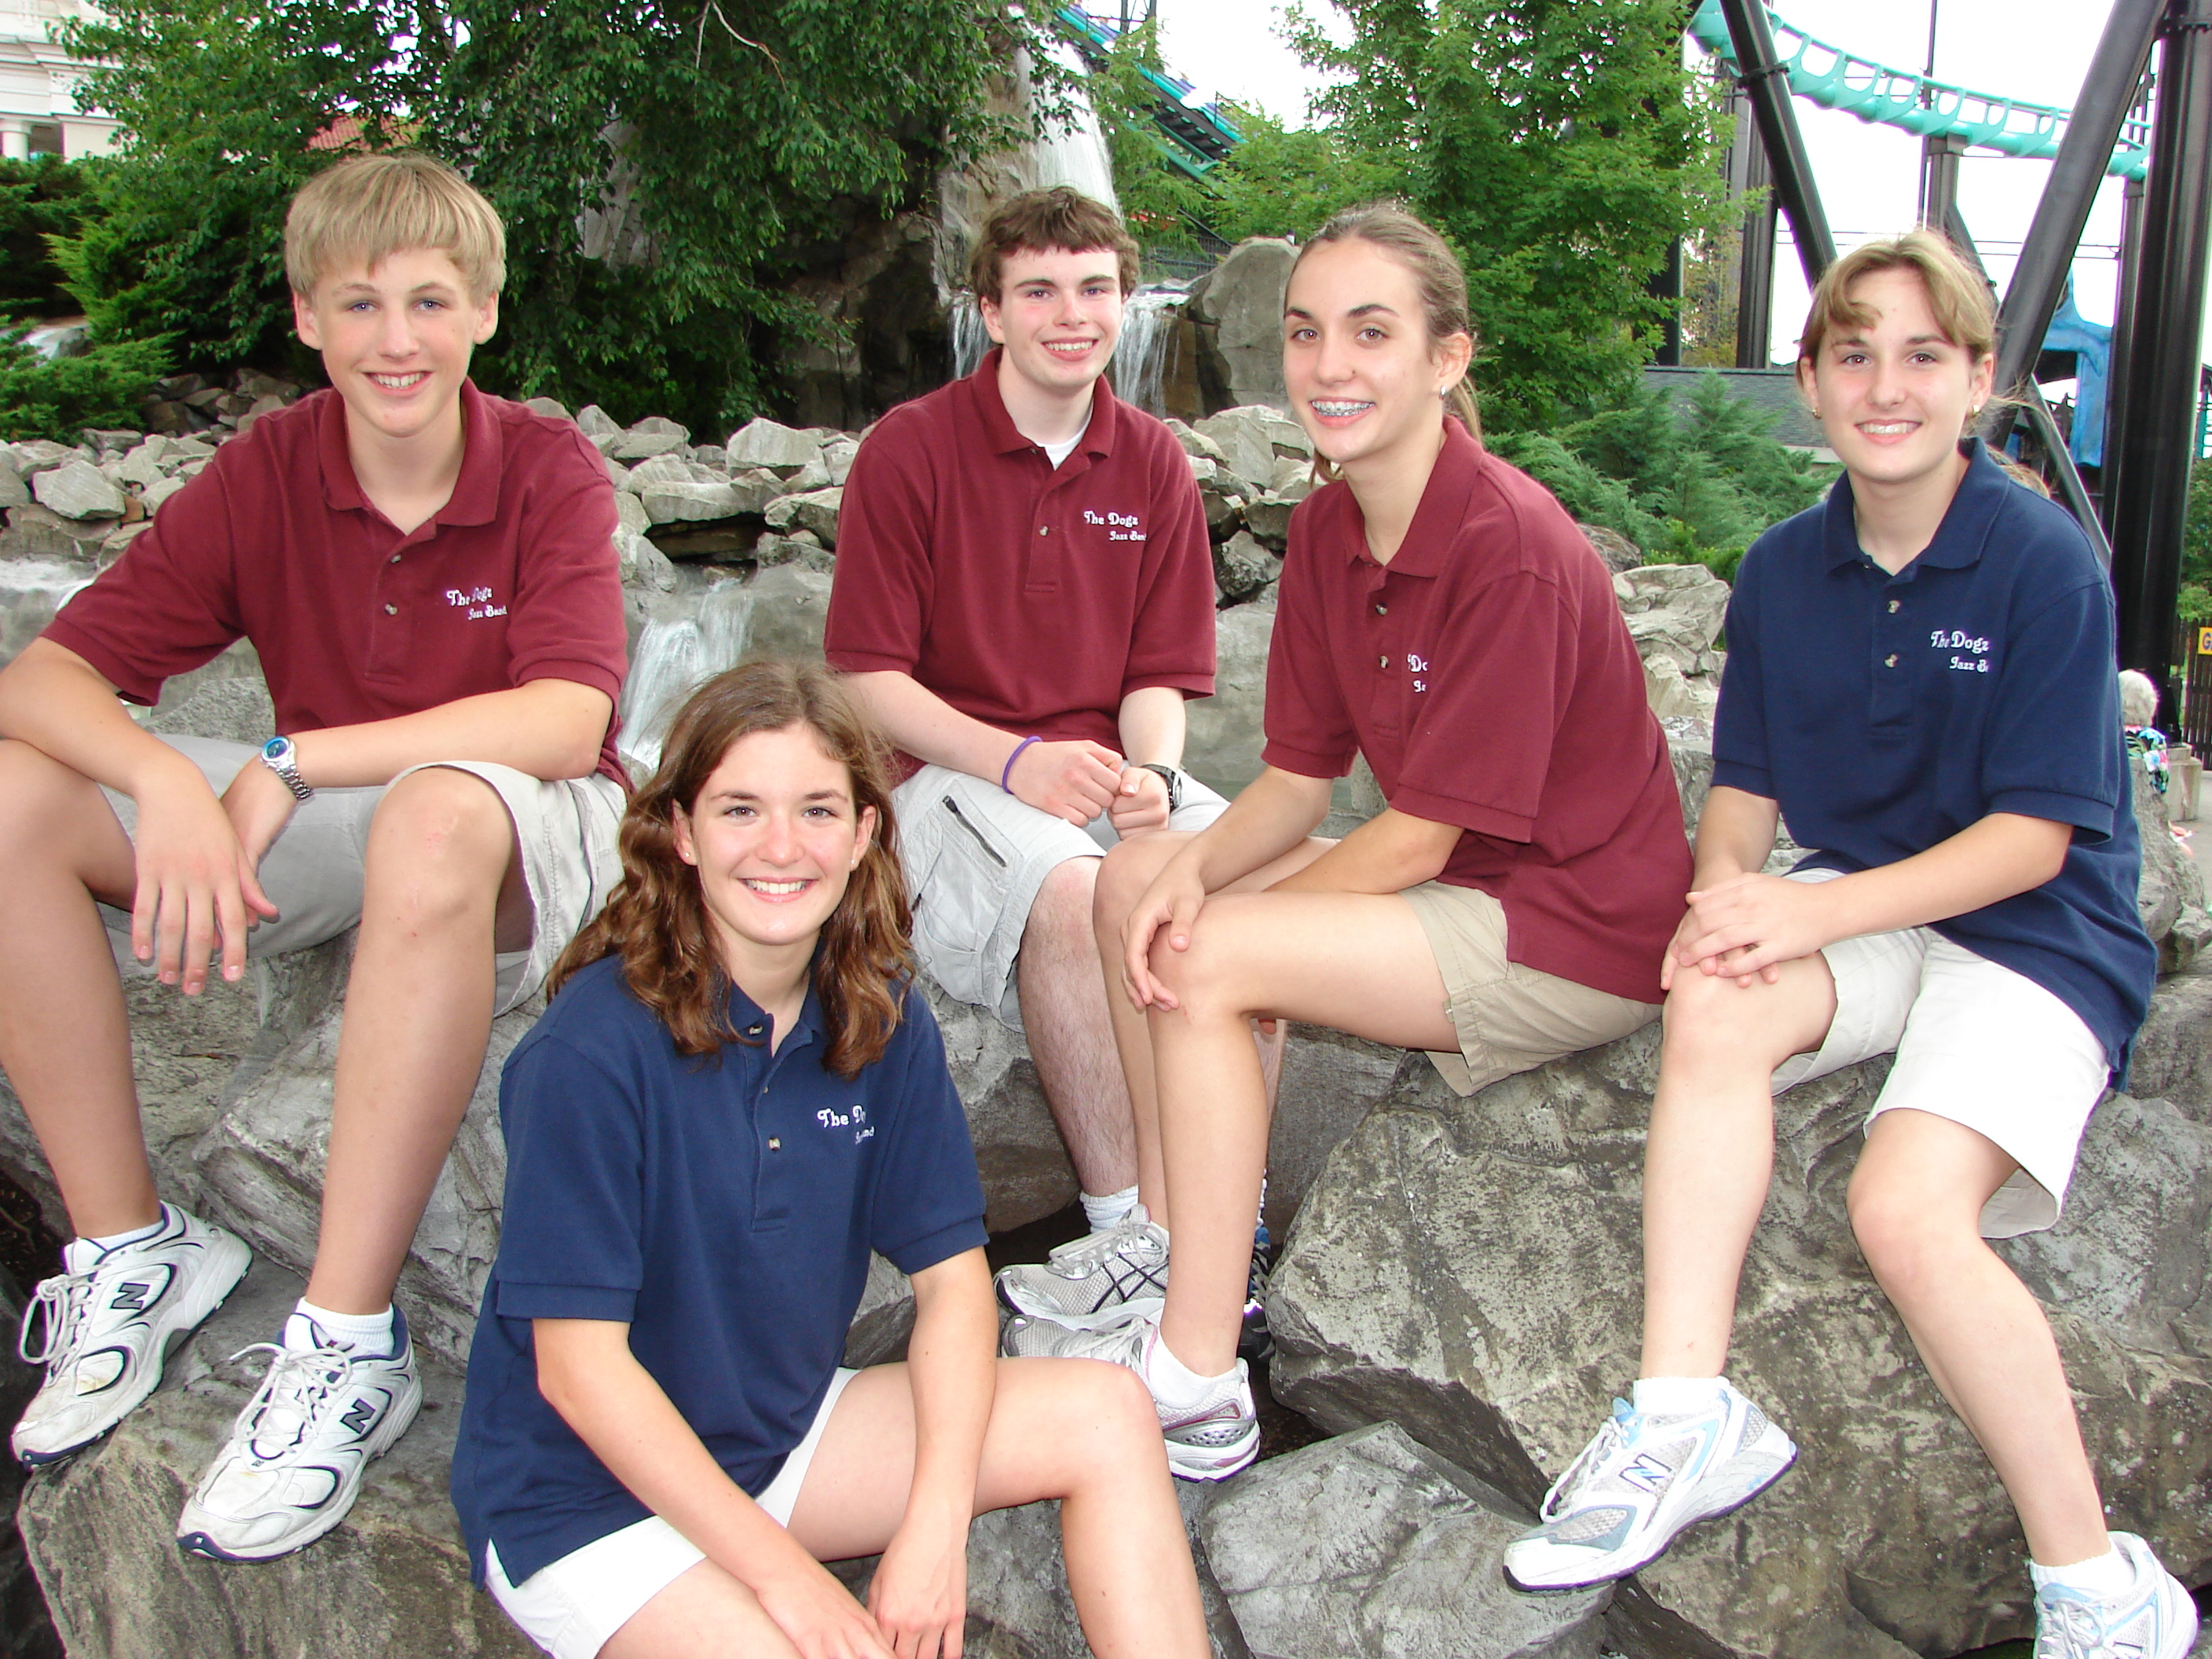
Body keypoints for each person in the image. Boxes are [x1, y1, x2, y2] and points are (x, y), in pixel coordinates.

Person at [1501, 230, 2194, 1658]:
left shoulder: (2044, 568)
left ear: (1981, 381)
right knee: (1713, 1002)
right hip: (1871, 900)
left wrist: (1804, 909)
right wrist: (1726, 903)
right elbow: (1746, 794)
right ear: (1809, 383)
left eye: (1923, 354)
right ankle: (1686, 1416)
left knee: (1903, 1209)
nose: (1888, 385)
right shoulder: (1779, 572)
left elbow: (2036, 841)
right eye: (1854, 353)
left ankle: (2098, 1587)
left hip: (2034, 935)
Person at [0, 152, 628, 1561]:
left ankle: (347, 1338)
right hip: (344, 828)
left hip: (530, 829)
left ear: (482, 310)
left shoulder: (543, 464)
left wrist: (285, 760)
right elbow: (36, 681)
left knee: (431, 810)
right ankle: (129, 1246)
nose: (393, 339)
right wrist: (162, 776)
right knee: (11, 797)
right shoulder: (267, 468)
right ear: (305, 319)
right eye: (358, 304)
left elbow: (567, 715)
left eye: (425, 301)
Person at [1001, 203, 1690, 1479]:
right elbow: (1291, 785)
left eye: (1372, 331)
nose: (1329, 364)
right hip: (1460, 878)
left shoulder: (1508, 546)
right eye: (1308, 330)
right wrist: (1186, 874)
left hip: (1570, 925)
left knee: (1209, 960)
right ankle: (1176, 1238)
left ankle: (1199, 1377)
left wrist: (1229, 920)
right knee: (1131, 880)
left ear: (1447, 357)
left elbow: (1420, 837)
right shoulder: (1325, 532)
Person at [450, 660, 1210, 1659]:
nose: (779, 847)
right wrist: (790, 1584)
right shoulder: (589, 1054)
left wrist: (934, 1529)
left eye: (816, 810)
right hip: (591, 1498)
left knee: (1108, 1413)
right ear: (679, 832)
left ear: (862, 833)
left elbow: (953, 1289)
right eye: (738, 811)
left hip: (782, 1435)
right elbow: (581, 1373)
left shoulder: (877, 1012)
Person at [825, 186, 1256, 1304]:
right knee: (1074, 894)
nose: (1073, 314)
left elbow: (1157, 678)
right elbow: (866, 683)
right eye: (1040, 291)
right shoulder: (910, 450)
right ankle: (1127, 1231)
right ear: (993, 311)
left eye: (1096, 288)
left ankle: (1223, 1226)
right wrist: (1017, 762)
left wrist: (1154, 776)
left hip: (1105, 768)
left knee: (1250, 889)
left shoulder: (1155, 461)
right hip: (946, 774)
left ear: (1125, 301)